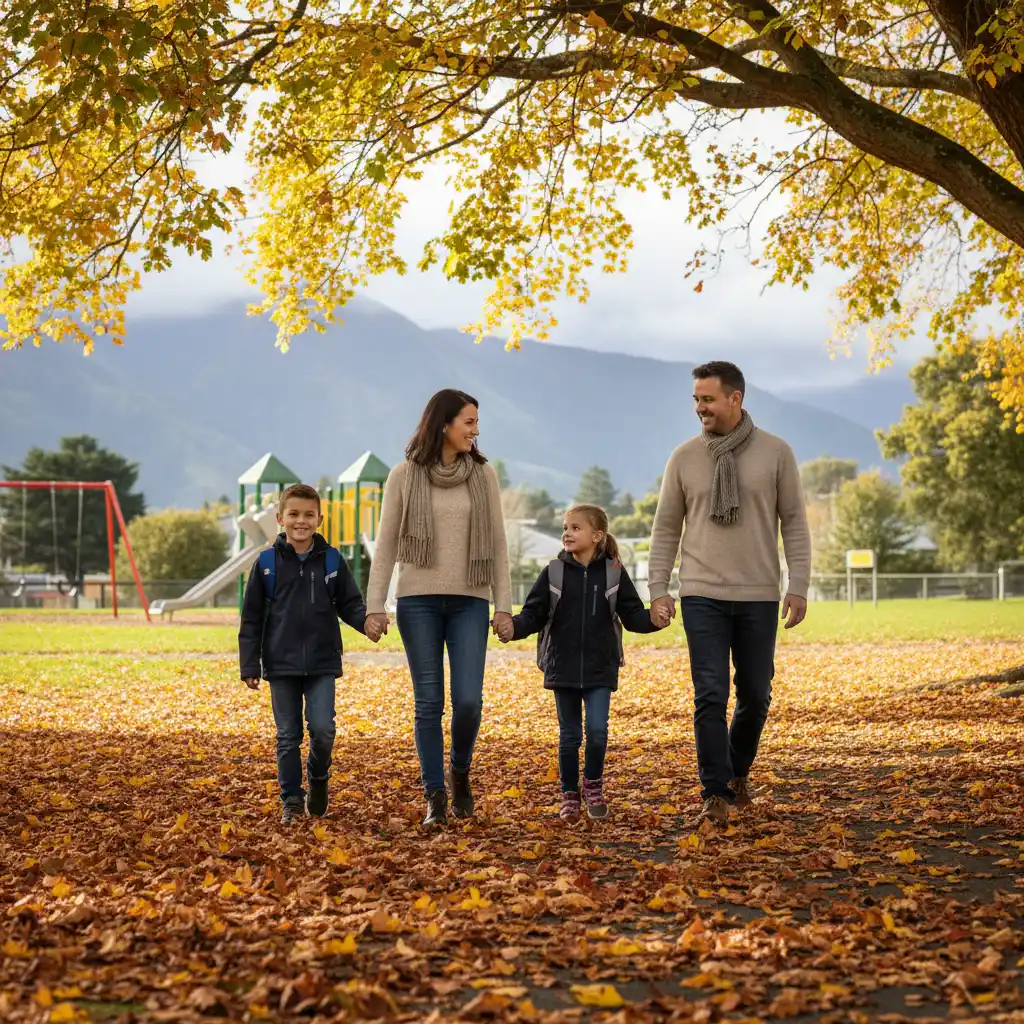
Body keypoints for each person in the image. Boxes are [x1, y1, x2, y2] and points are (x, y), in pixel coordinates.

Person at [647, 361, 811, 827]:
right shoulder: (683, 458)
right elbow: (665, 529)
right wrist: (659, 588)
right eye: (696, 399)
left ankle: (737, 773)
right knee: (710, 695)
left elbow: (795, 522)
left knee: (756, 694)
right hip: (701, 592)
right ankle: (715, 793)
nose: (700, 408)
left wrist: (797, 584)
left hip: (759, 592)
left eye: (708, 399)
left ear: (735, 399)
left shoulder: (776, 453)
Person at [365, 389, 512, 828]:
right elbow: (387, 543)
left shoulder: (483, 477)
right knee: (429, 702)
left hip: (471, 599)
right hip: (418, 601)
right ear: (444, 424)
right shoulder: (404, 475)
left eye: (476, 422)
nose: (476, 430)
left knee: (468, 701)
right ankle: (435, 795)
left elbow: (499, 545)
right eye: (468, 421)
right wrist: (375, 604)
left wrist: (503, 606)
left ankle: (460, 771)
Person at [500, 504, 660, 823]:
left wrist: (655, 620)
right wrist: (513, 628)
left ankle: (593, 785)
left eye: (575, 528)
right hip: (563, 666)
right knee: (570, 735)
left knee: (598, 731)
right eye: (565, 527)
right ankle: (570, 794)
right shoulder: (554, 572)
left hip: (602, 666)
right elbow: (533, 614)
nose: (567, 533)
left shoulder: (614, 571)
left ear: (597, 535)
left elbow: (632, 616)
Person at [239, 483, 379, 824]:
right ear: (280, 519)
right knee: (288, 736)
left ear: (319, 519)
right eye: (294, 514)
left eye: (308, 515)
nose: (301, 521)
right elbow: (252, 618)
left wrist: (368, 623)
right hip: (280, 664)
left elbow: (350, 604)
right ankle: (291, 799)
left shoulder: (331, 561)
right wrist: (250, 664)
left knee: (323, 729)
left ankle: (318, 778)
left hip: (321, 662)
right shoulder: (267, 564)